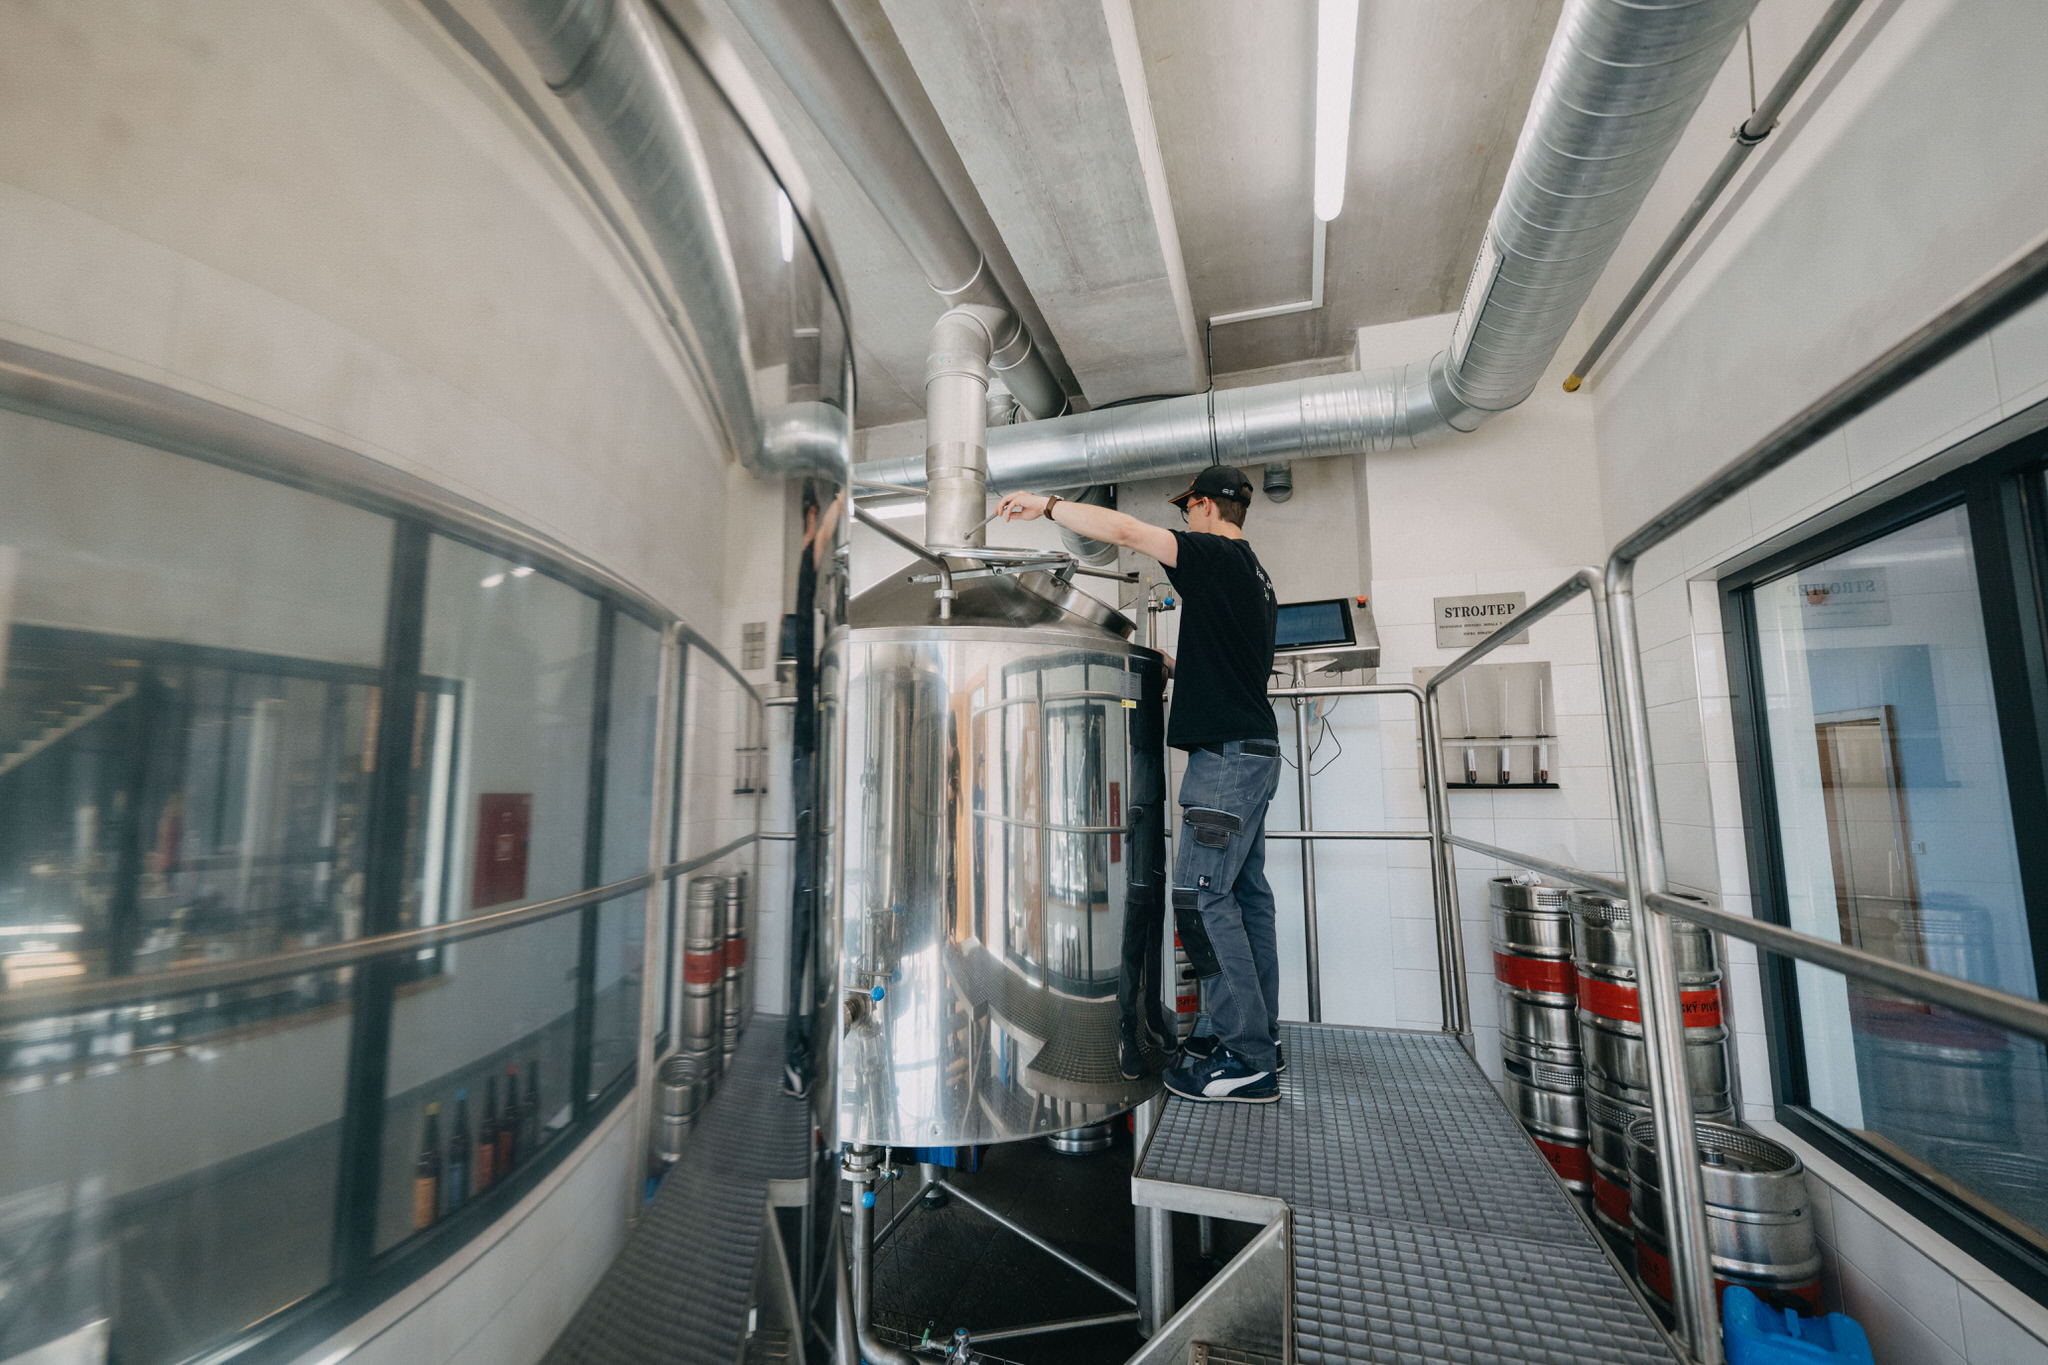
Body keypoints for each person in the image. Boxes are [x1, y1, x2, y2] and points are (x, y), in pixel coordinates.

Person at [995, 465, 1284, 1104]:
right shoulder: (1255, 575)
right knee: (1246, 897)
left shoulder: (1211, 552)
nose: (1184, 521)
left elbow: (1126, 531)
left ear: (1205, 506)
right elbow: (1233, 663)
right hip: (1255, 752)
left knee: (1202, 898)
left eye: (1188, 510)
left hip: (1227, 761)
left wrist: (1048, 504)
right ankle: (1255, 1034)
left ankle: (1246, 1057)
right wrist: (1179, 668)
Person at [783, 482, 843, 1099]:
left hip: (815, 764)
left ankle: (803, 1046)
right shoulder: (807, 581)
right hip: (809, 763)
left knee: (813, 897)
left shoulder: (820, 612)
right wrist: (839, 503)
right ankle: (795, 1053)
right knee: (806, 898)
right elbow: (813, 559)